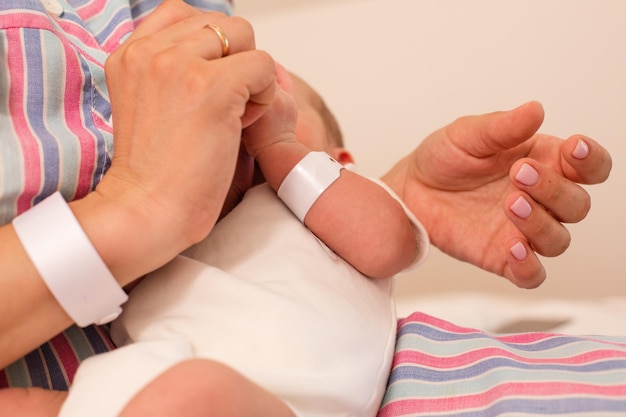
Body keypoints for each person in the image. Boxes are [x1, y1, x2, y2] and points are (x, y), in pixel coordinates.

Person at [0, 0, 614, 415]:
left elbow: (383, 244)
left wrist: (310, 160)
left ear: (341, 162)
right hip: (159, 377)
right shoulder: (196, 233)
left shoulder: (316, 210)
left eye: (269, 91)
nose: (244, 108)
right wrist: (142, 202)